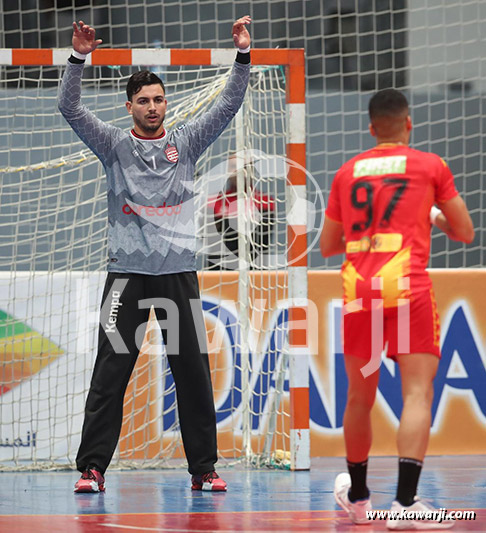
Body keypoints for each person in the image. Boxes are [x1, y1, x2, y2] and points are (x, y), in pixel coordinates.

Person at [58, 17, 252, 493]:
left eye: (158, 99)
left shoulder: (185, 143)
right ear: (129, 107)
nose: (152, 106)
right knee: (110, 373)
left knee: (192, 374)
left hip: (178, 275)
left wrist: (242, 55)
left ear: (166, 104)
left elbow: (229, 102)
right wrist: (78, 57)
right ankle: (92, 468)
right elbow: (69, 107)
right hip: (125, 278)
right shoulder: (114, 144)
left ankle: (203, 469)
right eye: (143, 101)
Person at [320, 89, 474, 529]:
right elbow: (464, 230)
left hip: (360, 293)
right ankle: (405, 503)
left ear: (371, 129)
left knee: (358, 397)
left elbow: (329, 245)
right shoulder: (429, 166)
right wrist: (430, 216)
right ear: (409, 123)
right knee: (416, 394)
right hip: (407, 289)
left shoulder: (347, 173)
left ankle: (360, 497)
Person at [205, 153, 275, 270]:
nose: (238, 171)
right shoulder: (214, 203)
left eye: (244, 166)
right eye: (233, 167)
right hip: (219, 273)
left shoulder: (265, 202)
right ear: (227, 171)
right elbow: (213, 244)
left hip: (255, 272)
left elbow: (261, 243)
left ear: (251, 170)